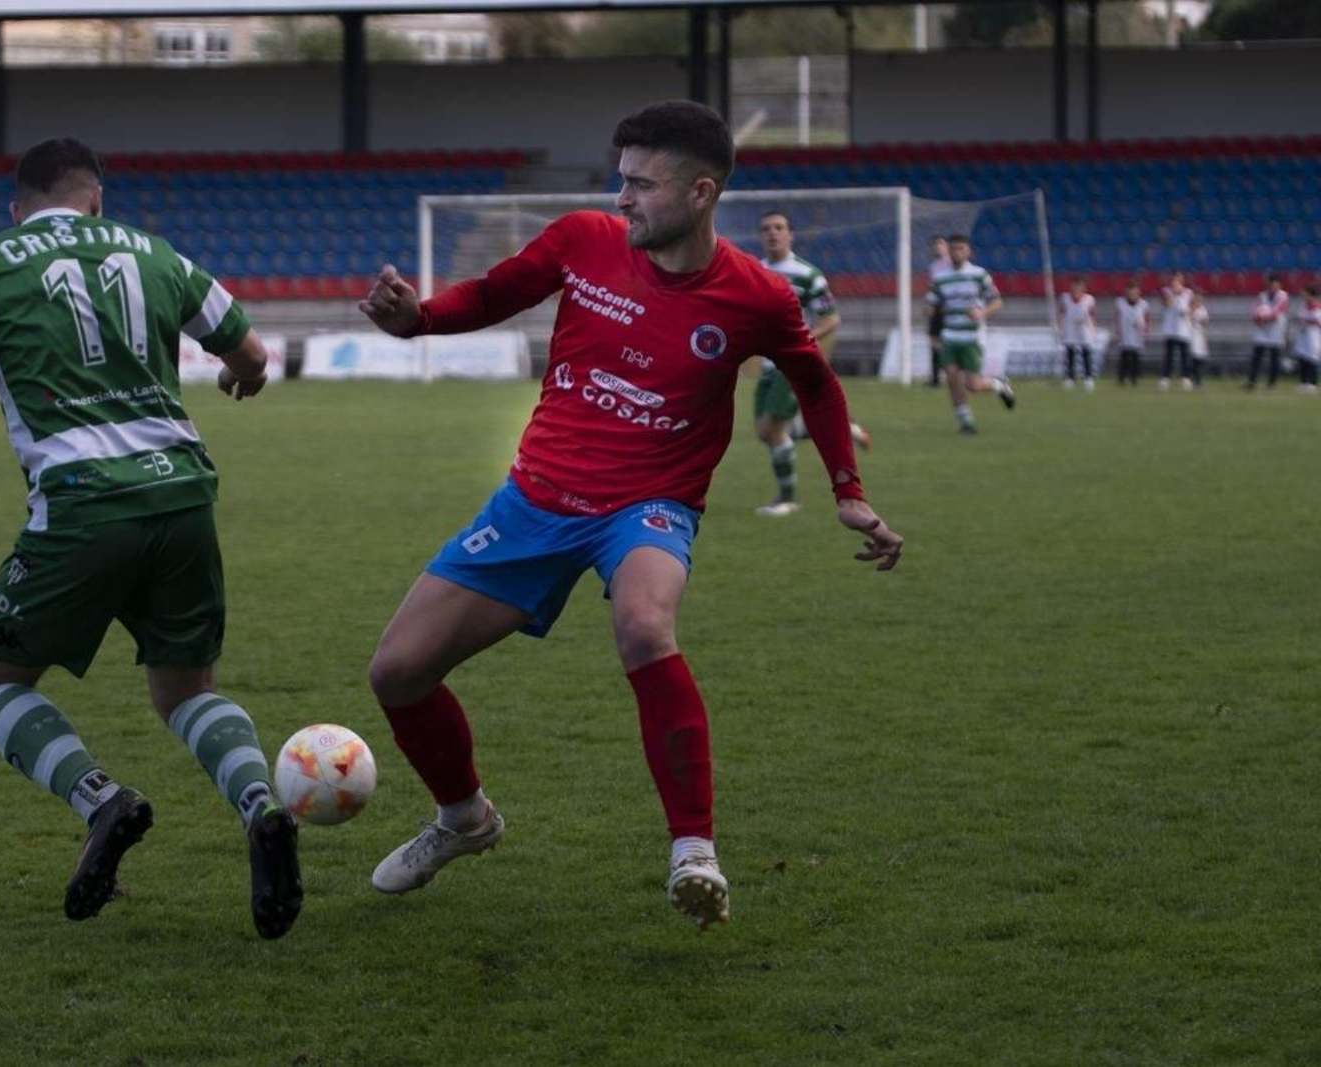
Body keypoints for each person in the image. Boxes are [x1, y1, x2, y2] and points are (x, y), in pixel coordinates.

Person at [354, 101, 903, 931]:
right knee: (395, 672)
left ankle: (694, 852)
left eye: (641, 185)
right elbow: (495, 293)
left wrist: (847, 489)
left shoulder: (757, 295)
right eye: (620, 181)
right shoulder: (582, 241)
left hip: (648, 505)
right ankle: (464, 819)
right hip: (536, 497)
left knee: (646, 625)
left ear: (701, 192)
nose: (622, 199)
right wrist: (417, 318)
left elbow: (816, 384)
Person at [0, 138, 304, 939]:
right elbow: (248, 354)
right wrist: (244, 378)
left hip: (80, 505)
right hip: (182, 494)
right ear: (96, 197)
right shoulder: (156, 251)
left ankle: (102, 800)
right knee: (188, 692)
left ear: (16, 207)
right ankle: (262, 805)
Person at [752, 210, 871, 518]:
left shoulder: (807, 274)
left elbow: (831, 317)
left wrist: (803, 339)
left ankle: (788, 499)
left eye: (779, 227)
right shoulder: (754, 271)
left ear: (790, 234)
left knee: (773, 429)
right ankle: (844, 427)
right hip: (767, 366)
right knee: (764, 432)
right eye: (766, 229)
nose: (772, 233)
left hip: (792, 365)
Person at [926, 234, 1016, 434]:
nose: (957, 252)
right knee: (950, 376)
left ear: (968, 251)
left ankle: (999, 385)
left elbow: (997, 301)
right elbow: (931, 303)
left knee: (973, 385)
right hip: (950, 334)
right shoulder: (941, 278)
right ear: (948, 252)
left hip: (972, 336)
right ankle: (965, 421)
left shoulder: (979, 275)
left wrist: (981, 312)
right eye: (953, 249)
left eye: (961, 248)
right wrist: (930, 312)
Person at [1245, 271, 1289, 390]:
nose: (1272, 287)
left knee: (1275, 358)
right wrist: (1257, 318)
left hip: (1276, 330)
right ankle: (1251, 382)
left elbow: (1278, 311)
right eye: (1270, 284)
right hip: (1262, 330)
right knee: (1257, 356)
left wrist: (1263, 318)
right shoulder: (1262, 295)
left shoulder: (1283, 296)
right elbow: (1255, 310)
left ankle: (1272, 384)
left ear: (1279, 285)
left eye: (1275, 284)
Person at [1058, 275, 1098, 390]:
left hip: (1084, 328)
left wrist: (1093, 330)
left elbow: (1092, 315)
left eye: (1079, 287)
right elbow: (1061, 313)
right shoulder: (1065, 298)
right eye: (1074, 287)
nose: (1076, 290)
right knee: (1070, 354)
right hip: (1069, 328)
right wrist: (1059, 327)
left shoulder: (1089, 299)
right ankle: (1070, 378)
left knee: (1086, 354)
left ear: (1084, 288)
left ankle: (1088, 378)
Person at [1159, 271, 1196, 390]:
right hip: (1170, 328)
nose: (1175, 283)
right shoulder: (1166, 291)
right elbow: (1166, 304)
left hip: (1183, 329)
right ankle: (1165, 378)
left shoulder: (1189, 293)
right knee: (1169, 355)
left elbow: (1192, 308)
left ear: (1181, 281)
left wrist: (1187, 312)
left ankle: (1185, 377)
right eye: (1173, 280)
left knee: (1184, 355)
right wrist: (1175, 294)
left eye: (1177, 280)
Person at [1114, 279, 1149, 386]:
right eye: (1130, 293)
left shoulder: (1143, 304)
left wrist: (1145, 330)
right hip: (1125, 334)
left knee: (1135, 358)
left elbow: (1146, 319)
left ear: (1138, 293)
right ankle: (1122, 379)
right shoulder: (1120, 303)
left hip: (1137, 335)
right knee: (1124, 358)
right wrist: (1118, 331)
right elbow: (1118, 317)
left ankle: (1134, 379)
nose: (1132, 295)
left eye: (1134, 293)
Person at [926, 235, 950, 387]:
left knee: (949, 341)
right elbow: (932, 288)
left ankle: (953, 374)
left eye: (940, 245)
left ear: (946, 246)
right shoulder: (933, 266)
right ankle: (935, 378)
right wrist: (928, 304)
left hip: (950, 308)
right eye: (935, 245)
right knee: (934, 341)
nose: (937, 248)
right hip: (937, 307)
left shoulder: (951, 264)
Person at [1293, 284, 1320, 394]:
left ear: (1310, 294)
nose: (1302, 294)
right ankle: (1303, 382)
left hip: (1312, 334)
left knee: (1312, 357)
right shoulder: (1303, 306)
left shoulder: (1316, 306)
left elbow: (1317, 321)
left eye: (1304, 292)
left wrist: (1305, 320)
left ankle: (1312, 383)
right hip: (1302, 334)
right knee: (1302, 355)